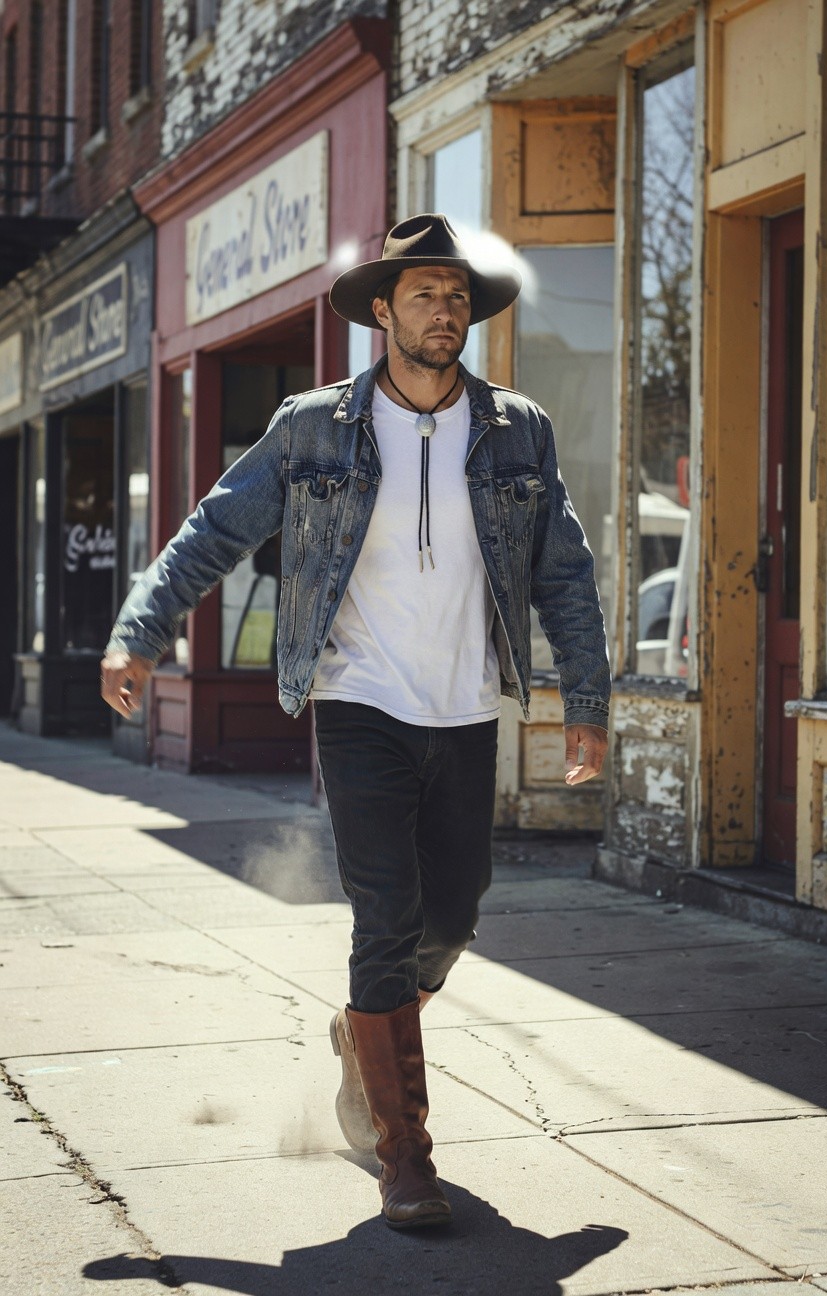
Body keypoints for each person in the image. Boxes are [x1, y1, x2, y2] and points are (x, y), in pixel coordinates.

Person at [101, 213, 611, 1232]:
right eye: (424, 293)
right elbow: (216, 528)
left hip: (466, 706)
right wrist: (141, 629)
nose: (444, 310)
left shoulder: (520, 430)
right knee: (384, 919)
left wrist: (586, 708)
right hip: (358, 702)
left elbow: (565, 571)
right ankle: (404, 1155)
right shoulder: (313, 427)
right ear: (381, 311)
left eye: (457, 295)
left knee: (454, 912)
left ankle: (361, 1034)